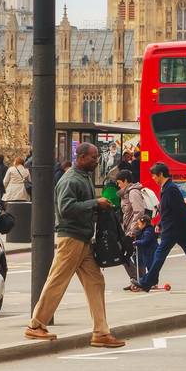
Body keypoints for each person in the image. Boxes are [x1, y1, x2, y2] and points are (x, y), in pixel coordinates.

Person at [23, 141, 125, 347]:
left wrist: (97, 206)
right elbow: (66, 207)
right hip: (71, 238)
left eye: (97, 157)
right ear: (81, 157)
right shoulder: (70, 179)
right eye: (93, 158)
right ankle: (36, 325)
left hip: (83, 238)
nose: (97, 161)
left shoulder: (83, 177)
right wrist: (95, 203)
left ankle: (101, 332)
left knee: (96, 282)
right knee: (57, 280)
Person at [137, 162, 186, 292]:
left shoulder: (171, 189)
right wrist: (160, 223)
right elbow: (168, 210)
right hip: (177, 228)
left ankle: (146, 283)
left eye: (154, 176)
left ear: (161, 174)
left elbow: (181, 208)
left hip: (173, 230)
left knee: (159, 256)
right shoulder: (166, 188)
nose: (153, 179)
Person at [115, 169, 153, 291]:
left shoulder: (133, 193)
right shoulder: (126, 193)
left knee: (127, 255)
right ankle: (137, 280)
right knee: (133, 255)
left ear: (126, 181)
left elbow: (139, 211)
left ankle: (139, 280)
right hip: (128, 228)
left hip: (134, 230)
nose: (118, 185)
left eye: (119, 182)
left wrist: (133, 230)